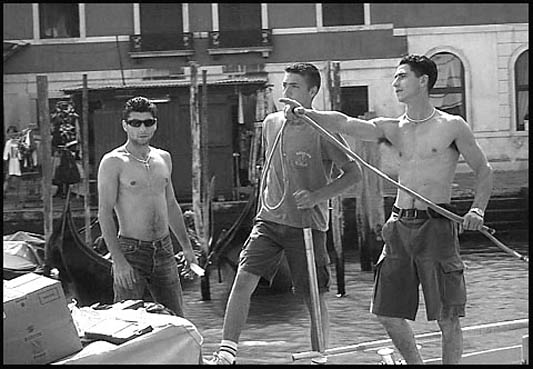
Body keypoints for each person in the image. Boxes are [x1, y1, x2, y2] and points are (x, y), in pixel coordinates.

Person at [281, 54, 494, 364]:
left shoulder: (452, 126)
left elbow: (484, 170)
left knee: (447, 317)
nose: (395, 83)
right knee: (387, 313)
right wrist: (306, 113)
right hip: (399, 226)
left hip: (436, 227)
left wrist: (477, 210)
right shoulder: (393, 128)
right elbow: (345, 123)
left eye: (402, 76)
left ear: (423, 82)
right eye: (395, 77)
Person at [204, 63, 362, 365]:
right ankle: (226, 353)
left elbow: (353, 174)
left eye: (294, 87)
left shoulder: (324, 131)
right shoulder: (272, 123)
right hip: (269, 220)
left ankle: (319, 356)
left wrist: (317, 196)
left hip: (307, 225)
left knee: (313, 295)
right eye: (284, 85)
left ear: (312, 91)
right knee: (243, 279)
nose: (286, 93)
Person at [97, 96, 199, 317]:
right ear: (125, 125)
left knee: (177, 321)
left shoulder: (163, 158)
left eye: (148, 122)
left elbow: (171, 205)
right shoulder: (113, 162)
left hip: (164, 250)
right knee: (127, 322)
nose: (142, 128)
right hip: (132, 251)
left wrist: (187, 249)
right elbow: (104, 213)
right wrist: (118, 261)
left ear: (155, 124)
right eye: (135, 123)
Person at [3, 125, 22, 194]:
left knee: (12, 176)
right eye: (9, 132)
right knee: (8, 176)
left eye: (12, 132)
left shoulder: (16, 142)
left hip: (14, 160)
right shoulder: (8, 142)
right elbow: (5, 153)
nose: (11, 134)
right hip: (9, 160)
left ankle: (11, 189)